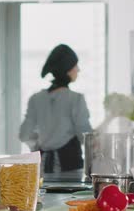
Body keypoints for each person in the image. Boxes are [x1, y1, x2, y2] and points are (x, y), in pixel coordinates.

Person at [19, 44, 92, 174]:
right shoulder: (76, 99)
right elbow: (86, 137)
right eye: (75, 65)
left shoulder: (36, 98)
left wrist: (43, 143)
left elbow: (24, 134)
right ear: (67, 69)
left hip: (42, 167)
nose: (78, 70)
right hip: (71, 168)